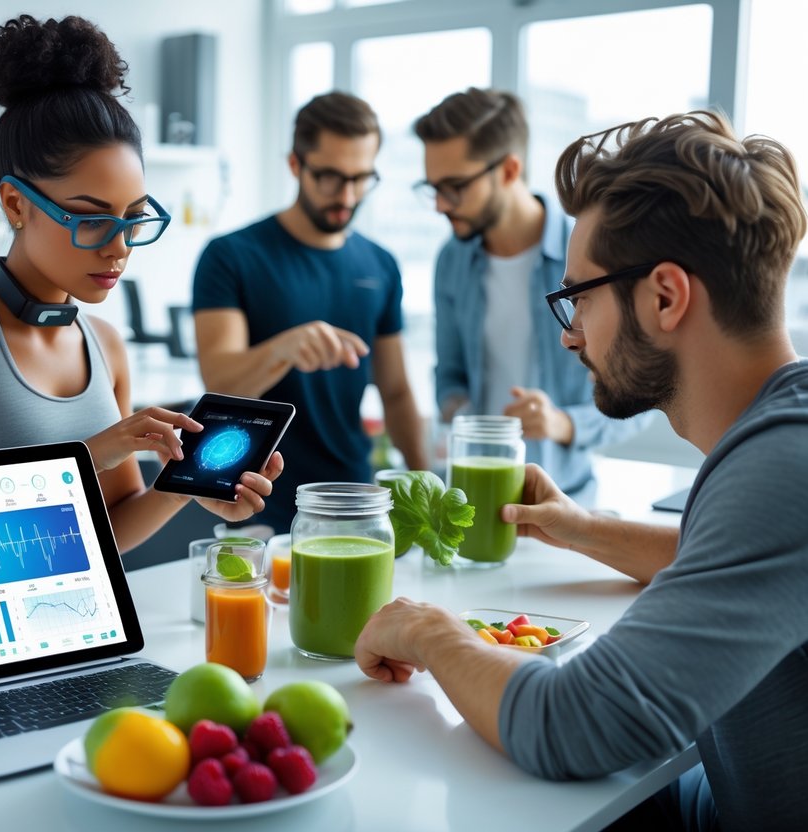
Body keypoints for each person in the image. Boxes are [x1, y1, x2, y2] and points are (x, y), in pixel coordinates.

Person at [355, 111, 808, 829]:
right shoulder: (777, 435)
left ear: (664, 296)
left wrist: (427, 632)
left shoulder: (783, 467)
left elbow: (573, 724)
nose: (569, 335)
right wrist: (580, 528)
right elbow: (719, 560)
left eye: (578, 298)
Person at [0, 15, 282, 553]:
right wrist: (84, 459)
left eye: (133, 218)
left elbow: (107, 529)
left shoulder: (104, 343)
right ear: (16, 204)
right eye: (91, 218)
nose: (120, 246)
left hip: (67, 627)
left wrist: (186, 488)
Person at [192, 92, 427, 533]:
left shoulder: (381, 265)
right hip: (258, 503)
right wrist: (285, 348)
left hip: (352, 502)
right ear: (295, 165)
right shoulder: (231, 256)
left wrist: (424, 481)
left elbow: (395, 391)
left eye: (361, 179)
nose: (347, 195)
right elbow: (218, 383)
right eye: (330, 177)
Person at [413, 88, 647, 492]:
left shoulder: (589, 252)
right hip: (473, 494)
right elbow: (448, 375)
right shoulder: (451, 260)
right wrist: (464, 416)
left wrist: (561, 423)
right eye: (433, 187)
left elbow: (642, 396)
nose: (439, 205)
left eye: (454, 187)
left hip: (567, 499)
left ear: (507, 170)